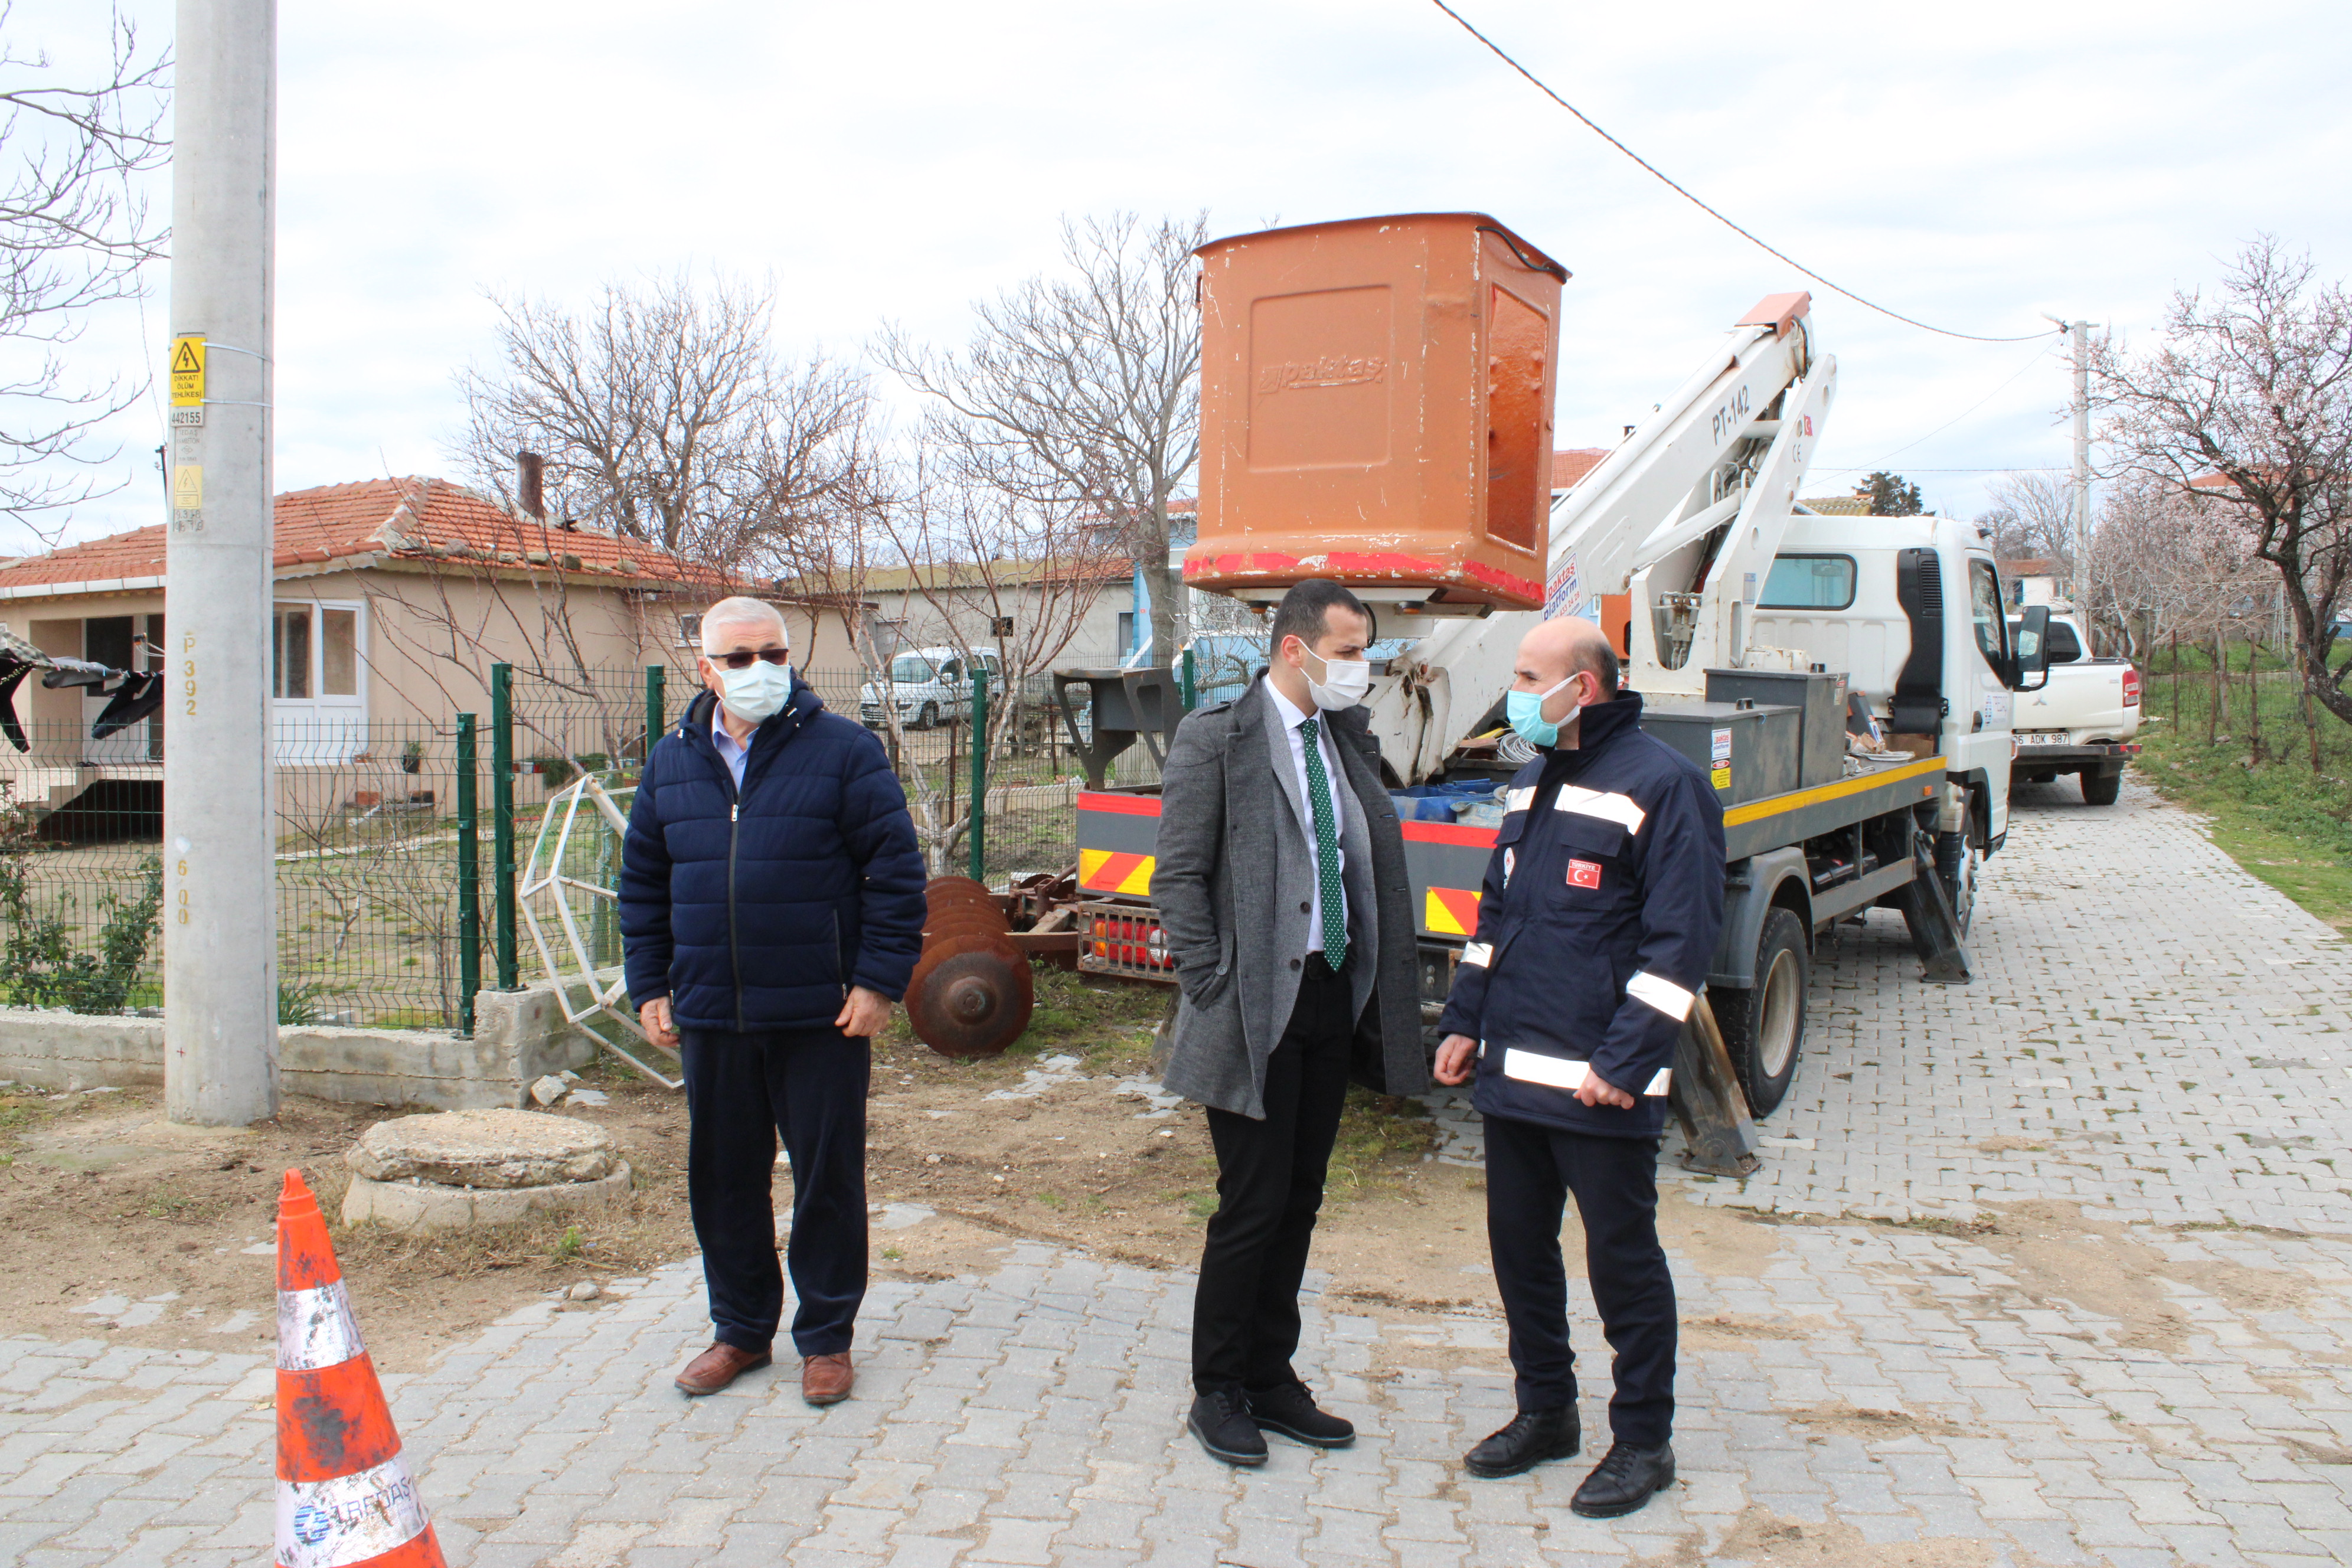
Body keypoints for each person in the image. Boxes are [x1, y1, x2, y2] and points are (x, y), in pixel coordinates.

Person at [1432, 615, 1724, 1518]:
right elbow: (1495, 922)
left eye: (1528, 674)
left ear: (1582, 688)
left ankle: (1643, 1440)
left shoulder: (1664, 787)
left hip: (1599, 1083)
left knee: (1622, 1263)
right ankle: (1546, 1412)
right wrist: (1463, 1022)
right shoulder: (1529, 786)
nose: (1516, 690)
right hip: (1513, 1072)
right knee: (1520, 1252)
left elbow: (1680, 946)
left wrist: (1625, 1063)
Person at [620, 596, 925, 1405]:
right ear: (706, 669)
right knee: (723, 1177)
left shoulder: (845, 752)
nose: (760, 670)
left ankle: (826, 1339)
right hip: (713, 1012)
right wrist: (649, 983)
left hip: (821, 1012)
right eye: (740, 657)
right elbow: (644, 885)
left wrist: (877, 982)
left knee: (826, 1179)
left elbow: (894, 876)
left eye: (773, 653)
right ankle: (741, 1332)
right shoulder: (671, 760)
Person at [1153, 578, 1429, 1466]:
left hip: (1327, 995)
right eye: (1350, 653)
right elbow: (1179, 876)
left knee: (1301, 1199)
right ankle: (1219, 1388)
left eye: (1366, 653)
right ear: (1294, 649)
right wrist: (1210, 984)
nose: (1363, 670)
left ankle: (1272, 1377)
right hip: (1249, 1007)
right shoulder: (1218, 739)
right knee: (1253, 1203)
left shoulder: (1343, 740)